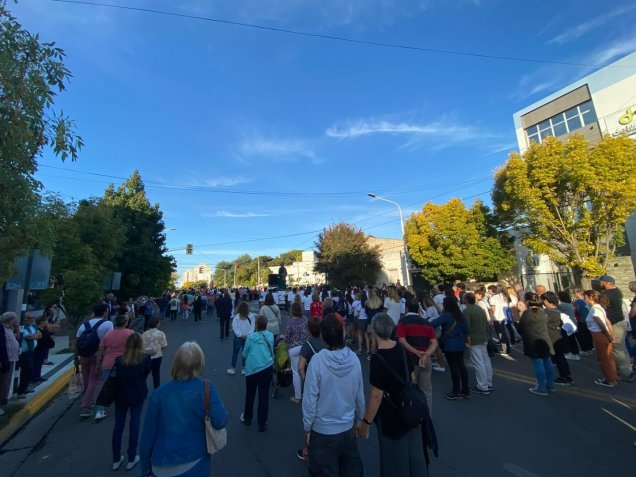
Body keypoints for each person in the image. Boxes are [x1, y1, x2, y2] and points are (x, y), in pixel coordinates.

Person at [140, 342, 228, 477]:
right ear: (200, 364)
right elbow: (220, 421)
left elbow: (148, 436)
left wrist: (145, 468)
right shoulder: (206, 388)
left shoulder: (159, 393)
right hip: (194, 461)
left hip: (162, 464)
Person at [357, 313, 426, 477]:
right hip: (409, 407)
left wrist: (366, 422)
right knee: (415, 455)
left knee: (393, 459)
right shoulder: (401, 348)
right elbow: (412, 377)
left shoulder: (377, 358)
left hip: (391, 413)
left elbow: (376, 395)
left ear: (374, 331)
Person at [302, 314, 365, 477]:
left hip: (323, 430)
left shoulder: (317, 362)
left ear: (323, 337)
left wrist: (307, 428)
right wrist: (361, 419)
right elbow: (360, 394)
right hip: (347, 428)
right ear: (343, 333)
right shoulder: (354, 359)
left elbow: (310, 400)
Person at [111, 333, 151, 471]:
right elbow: (146, 373)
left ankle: (116, 458)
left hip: (121, 395)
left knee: (118, 427)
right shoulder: (145, 359)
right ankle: (132, 457)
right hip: (138, 394)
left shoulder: (119, 360)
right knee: (134, 425)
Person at [396, 299, 438, 412]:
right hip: (425, 359)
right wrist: (426, 354)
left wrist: (416, 352)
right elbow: (434, 342)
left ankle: (412, 415)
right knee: (426, 390)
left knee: (409, 389)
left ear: (407, 308)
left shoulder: (403, 321)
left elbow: (401, 340)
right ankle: (427, 416)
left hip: (409, 360)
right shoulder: (426, 323)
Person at [75, 304, 113, 418]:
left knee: (86, 379)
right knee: (94, 380)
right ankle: (86, 406)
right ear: (105, 312)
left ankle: (88, 397)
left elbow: (77, 343)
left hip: (84, 355)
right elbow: (108, 340)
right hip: (98, 355)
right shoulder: (107, 324)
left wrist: (75, 358)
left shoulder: (84, 325)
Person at [94, 314, 134, 421]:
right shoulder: (130, 333)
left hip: (108, 363)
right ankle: (128, 404)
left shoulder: (108, 334)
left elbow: (101, 350)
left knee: (105, 387)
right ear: (125, 323)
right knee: (127, 384)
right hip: (125, 362)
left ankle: (99, 410)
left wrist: (98, 364)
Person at [296, 316, 324, 461]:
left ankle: (306, 450)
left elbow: (300, 367)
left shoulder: (307, 344)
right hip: (326, 382)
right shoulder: (326, 342)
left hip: (311, 383)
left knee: (310, 417)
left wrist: (306, 381)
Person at [431, 298, 470, 400]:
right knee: (461, 365)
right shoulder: (460, 315)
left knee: (453, 367)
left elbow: (433, 323)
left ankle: (456, 391)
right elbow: (466, 330)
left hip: (449, 344)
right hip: (460, 343)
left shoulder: (446, 316)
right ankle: (466, 390)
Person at [241, 315, 274, 432]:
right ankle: (262, 423)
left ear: (256, 325)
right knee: (264, 395)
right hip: (266, 367)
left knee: (250, 394)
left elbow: (244, 354)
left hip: (252, 369)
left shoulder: (251, 338)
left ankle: (247, 418)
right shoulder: (270, 336)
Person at [517, 293, 554, 396]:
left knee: (538, 364)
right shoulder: (543, 312)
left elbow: (520, 328)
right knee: (548, 362)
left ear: (527, 302)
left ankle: (541, 387)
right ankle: (550, 384)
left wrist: (521, 315)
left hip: (533, 341)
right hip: (545, 339)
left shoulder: (527, 313)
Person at [599, 275, 634, 382]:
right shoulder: (617, 291)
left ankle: (627, 373)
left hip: (615, 324)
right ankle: (623, 369)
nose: (599, 284)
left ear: (605, 282)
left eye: (600, 282)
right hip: (620, 322)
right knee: (621, 348)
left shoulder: (606, 294)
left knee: (618, 349)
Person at [583, 290, 618, 387]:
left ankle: (610, 380)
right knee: (609, 357)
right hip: (602, 334)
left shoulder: (594, 309)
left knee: (604, 358)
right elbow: (607, 322)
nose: (584, 299)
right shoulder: (599, 307)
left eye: (585, 297)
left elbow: (601, 322)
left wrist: (608, 334)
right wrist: (610, 334)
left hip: (599, 334)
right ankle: (613, 377)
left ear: (590, 297)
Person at [462, 292, 493, 394]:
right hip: (483, 337)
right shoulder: (479, 309)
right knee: (485, 360)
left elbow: (467, 328)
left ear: (466, 300)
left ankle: (482, 386)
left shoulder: (467, 311)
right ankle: (488, 383)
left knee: (478, 362)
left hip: (474, 339)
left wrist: (467, 341)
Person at [542, 292, 574, 386]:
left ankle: (564, 376)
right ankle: (566, 375)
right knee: (560, 357)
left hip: (554, 337)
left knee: (558, 357)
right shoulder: (559, 309)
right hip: (561, 335)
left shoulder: (549, 312)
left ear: (546, 301)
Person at [283, 302, 308, 404]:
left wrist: (283, 339)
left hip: (294, 348)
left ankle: (298, 397)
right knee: (306, 370)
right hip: (306, 347)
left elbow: (287, 337)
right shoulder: (305, 319)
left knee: (296, 372)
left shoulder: (290, 322)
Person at [16, 313, 41, 399]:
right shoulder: (22, 327)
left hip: (31, 351)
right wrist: (35, 336)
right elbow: (28, 337)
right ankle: (20, 391)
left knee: (29, 370)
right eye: (28, 318)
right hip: (24, 352)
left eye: (32, 318)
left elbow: (39, 335)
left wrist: (34, 336)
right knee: (27, 370)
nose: (30, 319)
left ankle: (25, 388)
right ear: (24, 318)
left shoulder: (33, 327)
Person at [227, 301, 255, 376]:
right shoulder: (251, 316)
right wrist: (248, 335)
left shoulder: (237, 316)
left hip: (238, 337)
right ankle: (244, 368)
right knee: (245, 353)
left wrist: (239, 334)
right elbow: (253, 327)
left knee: (235, 353)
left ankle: (232, 368)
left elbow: (234, 327)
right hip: (247, 337)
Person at [487, 285, 514, 360]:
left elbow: (493, 309)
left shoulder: (492, 298)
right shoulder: (500, 296)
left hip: (496, 318)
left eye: (489, 290)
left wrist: (491, 319)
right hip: (502, 316)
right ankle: (507, 348)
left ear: (492, 290)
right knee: (503, 333)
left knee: (500, 334)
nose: (488, 291)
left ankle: (505, 349)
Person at [0, 312, 20, 413]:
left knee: (7, 381)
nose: (15, 322)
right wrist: (4, 360)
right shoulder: (2, 329)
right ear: (9, 320)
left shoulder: (10, 329)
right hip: (5, 359)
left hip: (12, 358)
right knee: (2, 381)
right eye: (14, 320)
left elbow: (17, 338)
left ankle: (4, 399)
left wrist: (17, 329)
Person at [142, 316, 168, 389]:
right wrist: (157, 348)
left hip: (146, 357)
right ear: (157, 324)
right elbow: (164, 346)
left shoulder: (144, 334)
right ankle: (156, 389)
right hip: (157, 356)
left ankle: (142, 388)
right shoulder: (161, 333)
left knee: (144, 374)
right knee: (156, 373)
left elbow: (141, 347)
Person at [32, 315, 55, 382]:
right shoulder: (37, 330)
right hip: (38, 349)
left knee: (39, 363)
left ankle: (37, 376)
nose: (46, 322)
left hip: (43, 349)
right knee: (36, 363)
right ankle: (35, 377)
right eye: (45, 321)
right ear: (41, 322)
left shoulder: (44, 330)